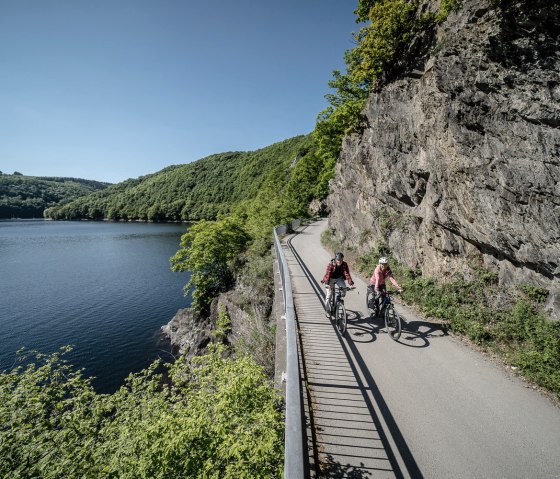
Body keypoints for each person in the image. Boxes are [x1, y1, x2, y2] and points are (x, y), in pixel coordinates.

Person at [321, 252, 354, 316]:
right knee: (328, 296)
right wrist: (327, 284)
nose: (340, 261)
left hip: (339, 278)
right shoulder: (331, 264)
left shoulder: (344, 264)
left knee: (344, 290)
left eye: (341, 260)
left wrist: (350, 284)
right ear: (336, 259)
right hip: (330, 279)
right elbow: (328, 274)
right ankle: (328, 311)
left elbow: (347, 274)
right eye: (338, 260)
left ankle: (338, 298)